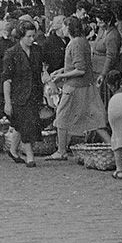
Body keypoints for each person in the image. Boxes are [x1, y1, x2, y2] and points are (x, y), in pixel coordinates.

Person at [48, 16, 107, 160]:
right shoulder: (83, 41)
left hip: (74, 87)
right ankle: (112, 146)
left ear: (69, 28)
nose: (62, 29)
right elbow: (79, 64)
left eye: (64, 26)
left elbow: (80, 69)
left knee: (61, 117)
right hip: (87, 86)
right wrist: (62, 70)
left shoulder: (74, 43)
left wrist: (62, 76)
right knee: (95, 120)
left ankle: (61, 151)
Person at [2, 19, 46, 168]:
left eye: (33, 36)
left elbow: (41, 70)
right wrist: (7, 102)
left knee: (22, 124)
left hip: (34, 93)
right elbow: (6, 79)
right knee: (27, 124)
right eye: (29, 36)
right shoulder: (11, 53)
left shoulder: (36, 50)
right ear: (21, 36)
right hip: (18, 95)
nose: (32, 39)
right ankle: (30, 157)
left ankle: (13, 150)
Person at [91, 8, 122, 105]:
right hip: (96, 69)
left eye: (100, 22)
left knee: (103, 100)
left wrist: (103, 74)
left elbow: (111, 57)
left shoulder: (113, 35)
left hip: (104, 72)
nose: (98, 24)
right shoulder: (102, 30)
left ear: (108, 21)